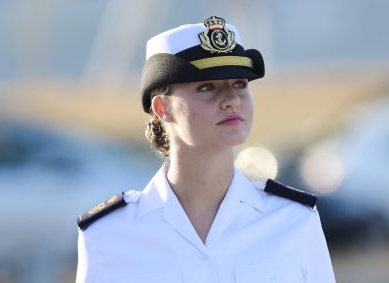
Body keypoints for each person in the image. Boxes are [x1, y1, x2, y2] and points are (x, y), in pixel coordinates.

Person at [75, 16, 336, 283]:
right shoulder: (108, 235)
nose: (232, 100)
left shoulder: (293, 220)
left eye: (240, 84)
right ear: (162, 109)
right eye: (207, 87)